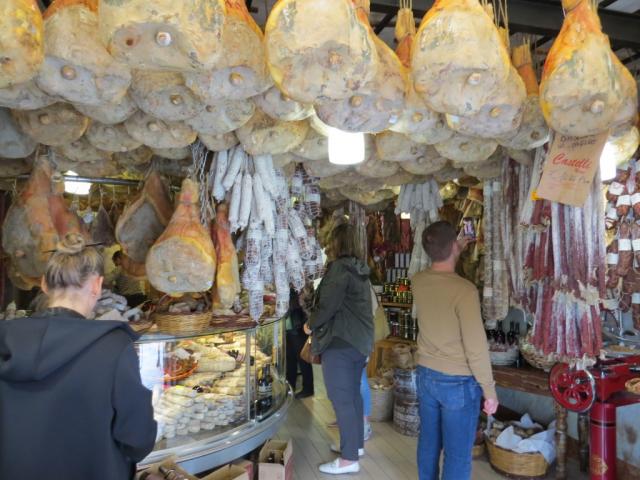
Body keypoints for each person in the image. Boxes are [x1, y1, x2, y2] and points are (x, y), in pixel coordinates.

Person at [0, 233, 157, 479]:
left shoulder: (5, 339)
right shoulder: (114, 348)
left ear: (44, 284)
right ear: (96, 285)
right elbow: (138, 439)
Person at [412, 221, 499, 480]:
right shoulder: (465, 291)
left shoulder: (418, 281)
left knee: (429, 443)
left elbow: (441, 268)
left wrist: (453, 248)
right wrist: (489, 391)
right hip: (457, 383)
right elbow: (476, 347)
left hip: (426, 375)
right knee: (457, 454)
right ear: (453, 246)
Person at [306, 223, 374, 475]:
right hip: (359, 341)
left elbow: (327, 306)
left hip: (341, 341)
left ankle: (348, 459)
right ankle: (354, 447)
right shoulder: (359, 269)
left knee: (342, 399)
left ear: (337, 243)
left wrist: (310, 324)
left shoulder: (339, 269)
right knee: (353, 396)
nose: (326, 247)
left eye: (329, 242)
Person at [285, 285, 314, 399]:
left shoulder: (299, 284)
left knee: (303, 358)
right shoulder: (291, 284)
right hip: (291, 325)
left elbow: (299, 303)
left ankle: (308, 388)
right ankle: (290, 386)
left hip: (298, 325)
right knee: (290, 358)